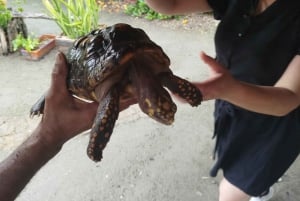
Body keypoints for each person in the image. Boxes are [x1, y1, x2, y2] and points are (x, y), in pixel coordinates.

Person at [145, 0, 300, 201]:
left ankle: (256, 187)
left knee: (230, 193)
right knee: (235, 160)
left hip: (275, 124)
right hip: (234, 106)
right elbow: (172, 5)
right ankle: (260, 188)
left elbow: (289, 97)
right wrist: (225, 90)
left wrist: (228, 89)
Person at [0, 52, 136, 201]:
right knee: (109, 103)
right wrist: (48, 134)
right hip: (105, 72)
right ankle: (45, 97)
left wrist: (47, 136)